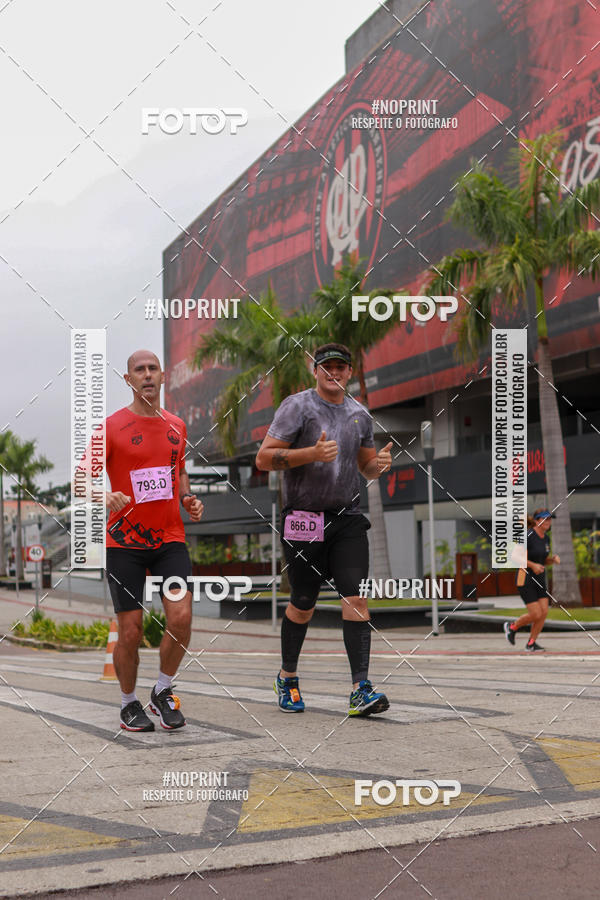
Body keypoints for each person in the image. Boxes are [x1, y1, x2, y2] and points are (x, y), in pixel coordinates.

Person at [256, 342, 393, 716]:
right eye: (327, 366)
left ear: (350, 372)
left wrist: (378, 465)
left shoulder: (359, 414)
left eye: (341, 366)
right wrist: (311, 454)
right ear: (315, 370)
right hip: (303, 519)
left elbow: (365, 468)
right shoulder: (297, 406)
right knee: (303, 603)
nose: (335, 372)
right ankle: (287, 678)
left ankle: (360, 689)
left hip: (347, 518)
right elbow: (264, 458)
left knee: (356, 598)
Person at [104, 350, 203, 731]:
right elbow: (83, 477)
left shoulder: (177, 425)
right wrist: (104, 496)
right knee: (131, 630)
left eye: (152, 369)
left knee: (181, 617)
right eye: (138, 370)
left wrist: (188, 501)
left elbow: (178, 476)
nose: (147, 375)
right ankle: (128, 703)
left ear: (163, 377)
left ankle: (162, 692)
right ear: (128, 380)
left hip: (169, 540)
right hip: (124, 542)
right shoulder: (111, 427)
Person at [504, 509, 560, 652]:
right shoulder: (528, 535)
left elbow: (541, 560)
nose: (548, 522)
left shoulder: (545, 538)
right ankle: (512, 626)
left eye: (549, 519)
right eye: (544, 519)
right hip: (526, 579)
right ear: (536, 521)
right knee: (536, 614)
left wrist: (551, 560)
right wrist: (533, 565)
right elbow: (515, 557)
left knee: (544, 613)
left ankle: (531, 643)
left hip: (540, 580)